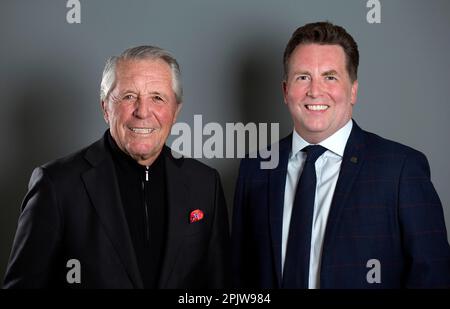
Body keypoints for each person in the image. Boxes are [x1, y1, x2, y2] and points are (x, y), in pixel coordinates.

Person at [232, 21, 450, 288]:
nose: (315, 91)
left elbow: (433, 277)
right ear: (285, 91)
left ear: (353, 90)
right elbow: (239, 278)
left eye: (330, 77)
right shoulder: (255, 170)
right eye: (303, 77)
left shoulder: (400, 169)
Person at [3, 45, 230, 288]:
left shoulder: (205, 185)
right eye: (129, 96)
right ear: (105, 108)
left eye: (157, 97)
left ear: (175, 111)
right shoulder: (57, 186)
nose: (143, 112)